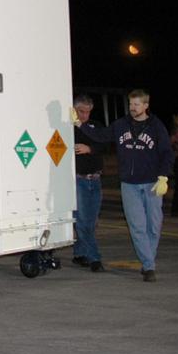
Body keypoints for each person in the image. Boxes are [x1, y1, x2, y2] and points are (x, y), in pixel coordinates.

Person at [77, 89, 172, 282]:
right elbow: (102, 136)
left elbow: (166, 152)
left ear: (146, 105)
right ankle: (148, 266)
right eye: (130, 104)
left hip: (152, 183)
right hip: (129, 185)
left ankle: (148, 259)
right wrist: (80, 125)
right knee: (137, 226)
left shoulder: (156, 126)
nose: (132, 108)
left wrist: (163, 176)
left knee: (154, 226)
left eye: (137, 104)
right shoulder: (121, 125)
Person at [69, 93, 105, 271]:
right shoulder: (69, 128)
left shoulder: (94, 126)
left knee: (91, 221)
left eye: (87, 112)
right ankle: (94, 258)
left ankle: (79, 253)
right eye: (81, 111)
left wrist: (89, 148)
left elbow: (103, 142)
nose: (84, 115)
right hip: (79, 180)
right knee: (83, 221)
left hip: (95, 180)